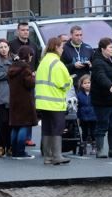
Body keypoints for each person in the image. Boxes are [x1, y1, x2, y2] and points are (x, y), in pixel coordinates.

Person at [35, 37, 71, 165]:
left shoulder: (43, 62)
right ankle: (57, 156)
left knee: (47, 129)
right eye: (61, 47)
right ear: (56, 47)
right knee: (57, 128)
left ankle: (48, 157)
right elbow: (65, 83)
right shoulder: (57, 64)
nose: (62, 50)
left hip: (42, 102)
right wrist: (71, 81)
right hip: (54, 101)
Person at [7, 45, 37, 159]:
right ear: (28, 55)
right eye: (31, 55)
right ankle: (20, 151)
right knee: (24, 125)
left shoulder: (12, 68)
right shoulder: (26, 69)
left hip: (14, 100)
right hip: (25, 101)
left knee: (15, 127)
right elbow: (30, 84)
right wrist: (33, 76)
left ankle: (14, 151)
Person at [75, 73, 96, 155]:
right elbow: (78, 105)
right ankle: (83, 147)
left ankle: (94, 147)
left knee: (93, 132)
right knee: (84, 132)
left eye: (89, 83)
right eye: (85, 83)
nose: (87, 85)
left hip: (93, 116)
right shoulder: (79, 94)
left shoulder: (95, 94)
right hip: (83, 116)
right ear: (82, 85)